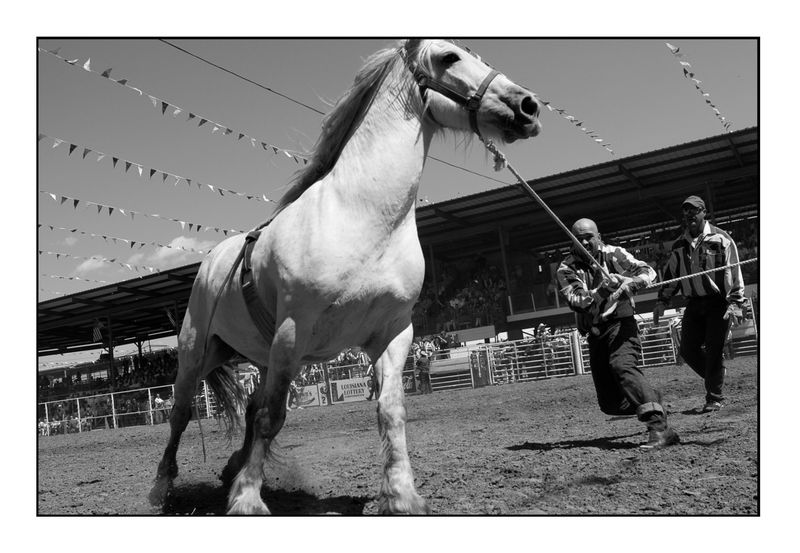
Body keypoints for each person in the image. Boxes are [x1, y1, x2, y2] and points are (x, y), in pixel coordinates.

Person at [557, 218, 679, 449]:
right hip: (595, 331)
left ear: (599, 236)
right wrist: (602, 290)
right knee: (610, 404)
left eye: (589, 236)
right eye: (578, 238)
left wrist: (630, 283)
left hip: (621, 323)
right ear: (572, 241)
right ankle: (652, 399)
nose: (584, 241)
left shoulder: (615, 253)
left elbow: (648, 272)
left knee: (622, 366)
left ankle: (660, 429)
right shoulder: (566, 268)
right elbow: (577, 300)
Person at [653, 195, 745, 413]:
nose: (689, 216)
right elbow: (671, 277)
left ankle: (714, 397)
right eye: (685, 213)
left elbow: (735, 271)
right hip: (693, 304)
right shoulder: (679, 245)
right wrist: (661, 301)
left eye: (694, 212)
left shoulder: (722, 239)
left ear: (704, 212)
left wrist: (736, 303)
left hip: (717, 303)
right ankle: (715, 376)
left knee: (714, 348)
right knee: (687, 349)